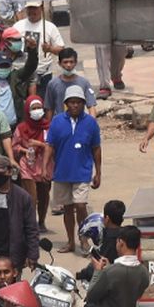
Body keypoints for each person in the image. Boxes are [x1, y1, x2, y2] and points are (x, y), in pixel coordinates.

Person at [45, 85, 101, 253]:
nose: (75, 105)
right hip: (62, 172)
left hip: (82, 172)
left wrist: (98, 172)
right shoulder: (57, 121)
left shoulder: (90, 122)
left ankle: (83, 239)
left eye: (78, 102)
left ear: (83, 103)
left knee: (81, 205)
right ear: (66, 104)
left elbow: (96, 148)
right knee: (68, 208)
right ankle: (70, 241)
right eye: (72, 102)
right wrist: (44, 167)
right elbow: (50, 145)